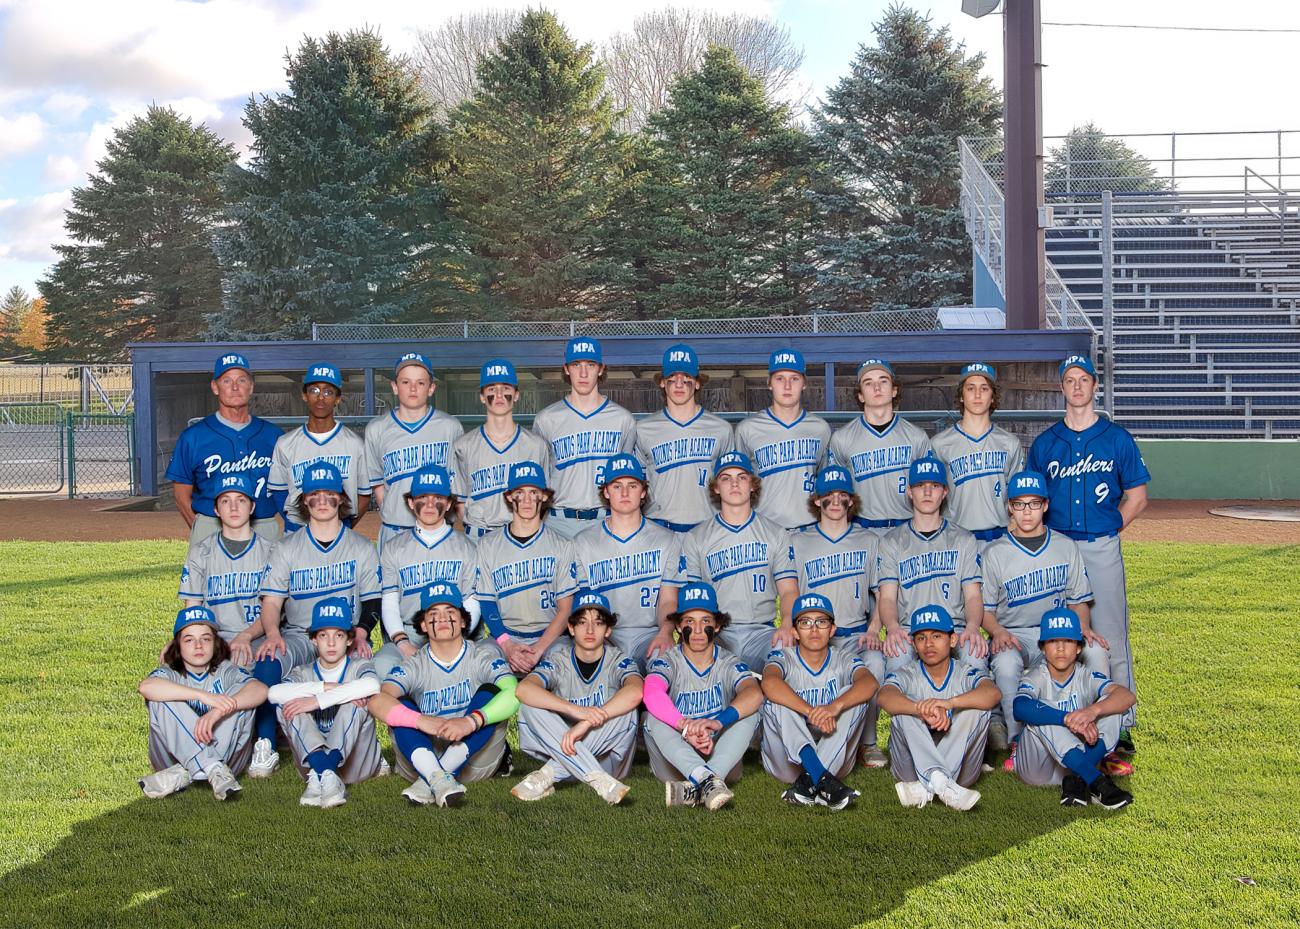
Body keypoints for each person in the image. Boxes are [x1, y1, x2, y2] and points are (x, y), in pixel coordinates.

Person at [1029, 354, 1150, 756]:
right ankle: (1050, 716)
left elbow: (1137, 496)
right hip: (1058, 549)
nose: (1077, 386)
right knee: (1053, 633)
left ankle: (1122, 722)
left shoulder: (1117, 438)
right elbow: (1032, 500)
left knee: (1111, 633)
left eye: (1084, 379)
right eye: (1070, 379)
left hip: (1100, 544)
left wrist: (1111, 527)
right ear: (1061, 388)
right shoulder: (1046, 443)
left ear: (1095, 385)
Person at [249, 462, 381, 777]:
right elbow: (271, 602)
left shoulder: (361, 546)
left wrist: (361, 633)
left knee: (368, 679)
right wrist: (271, 633)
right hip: (297, 633)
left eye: (329, 494)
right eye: (314, 494)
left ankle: (366, 748)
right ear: (304, 501)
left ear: (341, 499)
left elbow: (373, 599)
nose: (322, 501)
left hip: (344, 636)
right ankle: (266, 745)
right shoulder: (286, 547)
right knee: (269, 659)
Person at [981, 470, 1104, 751]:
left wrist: (1083, 627)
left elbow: (1078, 600)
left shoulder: (1066, 546)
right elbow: (985, 611)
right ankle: (1017, 740)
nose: (1027, 512)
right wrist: (997, 631)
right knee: (1006, 662)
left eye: (1034, 503)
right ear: (1010, 507)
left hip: (1059, 632)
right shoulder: (994, 553)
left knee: (1096, 651)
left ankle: (1093, 732)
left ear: (1045, 505)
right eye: (1020, 504)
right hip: (1016, 634)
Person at [369, 582, 519, 807]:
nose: (441, 619)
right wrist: (421, 721)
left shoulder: (481, 657)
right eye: (433, 614)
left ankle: (430, 778)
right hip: (425, 755)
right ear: (423, 624)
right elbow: (377, 701)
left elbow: (515, 693)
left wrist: (470, 722)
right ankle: (438, 778)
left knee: (491, 692)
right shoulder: (414, 665)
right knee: (398, 703)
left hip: (475, 762)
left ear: (463, 620)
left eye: (450, 612)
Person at [791, 465, 886, 767]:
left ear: (850, 500)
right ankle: (807, 736)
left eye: (841, 495)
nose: (835, 501)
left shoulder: (869, 540)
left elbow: (881, 593)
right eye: (827, 495)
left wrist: (874, 628)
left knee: (874, 663)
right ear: (817, 500)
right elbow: (790, 594)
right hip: (813, 636)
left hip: (855, 633)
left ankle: (868, 743)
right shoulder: (798, 541)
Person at [512, 591, 644, 805]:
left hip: (606, 762)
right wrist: (577, 711)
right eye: (582, 622)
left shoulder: (618, 659)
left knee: (626, 710)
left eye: (598, 623)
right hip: (569, 753)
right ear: (571, 628)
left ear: (608, 629)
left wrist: (584, 723)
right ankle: (596, 778)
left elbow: (636, 691)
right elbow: (523, 690)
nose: (590, 630)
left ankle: (548, 775)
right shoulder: (559, 660)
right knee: (529, 706)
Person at [642, 582, 764, 811]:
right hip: (675, 763)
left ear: (717, 626)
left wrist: (717, 723)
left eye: (705, 621)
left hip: (718, 754)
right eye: (689, 621)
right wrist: (685, 727)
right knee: (652, 716)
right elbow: (651, 692)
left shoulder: (728, 661)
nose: (697, 630)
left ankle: (702, 782)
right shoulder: (668, 661)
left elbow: (753, 692)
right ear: (678, 626)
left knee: (750, 712)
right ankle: (708, 780)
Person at [680, 451, 799, 670]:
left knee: (787, 649)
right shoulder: (696, 537)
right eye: (726, 478)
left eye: (742, 477)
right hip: (718, 633)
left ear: (753, 485)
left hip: (762, 632)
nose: (734, 484)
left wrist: (788, 623)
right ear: (716, 487)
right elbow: (693, 599)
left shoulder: (776, 533)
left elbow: (789, 591)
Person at [759, 593, 878, 811]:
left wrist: (834, 707)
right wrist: (810, 711)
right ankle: (822, 778)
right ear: (794, 631)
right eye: (806, 623)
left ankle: (810, 782)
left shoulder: (842, 657)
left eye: (821, 622)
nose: (814, 629)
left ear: (832, 629)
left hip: (834, 754)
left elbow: (869, 683)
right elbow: (769, 682)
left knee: (855, 696)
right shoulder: (784, 657)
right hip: (786, 762)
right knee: (777, 701)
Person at [875, 605, 1000, 811]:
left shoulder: (964, 672)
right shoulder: (908, 672)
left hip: (961, 772)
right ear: (913, 644)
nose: (928, 644)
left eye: (936, 636)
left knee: (977, 707)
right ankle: (941, 783)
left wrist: (949, 704)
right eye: (921, 638)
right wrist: (920, 709)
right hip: (910, 770)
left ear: (952, 640)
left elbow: (993, 693)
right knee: (904, 707)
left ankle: (928, 786)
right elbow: (885, 696)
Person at [137, 606, 268, 801]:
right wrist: (203, 696)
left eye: (205, 639)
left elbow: (261, 690)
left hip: (229, 758)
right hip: (173, 759)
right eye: (189, 640)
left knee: (237, 697)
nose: (198, 646)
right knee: (163, 696)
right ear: (177, 646)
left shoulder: (225, 670)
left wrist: (217, 711)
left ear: (215, 643)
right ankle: (213, 767)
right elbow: (146, 687)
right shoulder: (171, 672)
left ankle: (183, 773)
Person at [1012, 607, 1136, 810]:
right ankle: (1097, 782)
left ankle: (1077, 781)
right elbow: (1020, 707)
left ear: (1079, 647)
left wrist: (1092, 711)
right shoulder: (1035, 675)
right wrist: (1067, 718)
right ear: (1042, 648)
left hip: (1072, 765)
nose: (1060, 648)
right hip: (1037, 769)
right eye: (1053, 641)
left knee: (1110, 706)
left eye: (1068, 641)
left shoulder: (1085, 675)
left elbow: (1127, 696)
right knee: (1041, 713)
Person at [872, 455, 986, 674]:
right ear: (909, 491)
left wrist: (972, 627)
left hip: (955, 628)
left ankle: (971, 709)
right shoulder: (892, 541)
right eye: (920, 485)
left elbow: (972, 596)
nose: (927, 492)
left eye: (934, 486)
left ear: (944, 493)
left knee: (975, 654)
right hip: (910, 630)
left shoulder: (964, 539)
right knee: (897, 656)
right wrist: (893, 627)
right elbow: (887, 597)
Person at [267, 598, 383, 808]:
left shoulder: (359, 665)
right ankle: (323, 771)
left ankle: (325, 769)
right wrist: (324, 689)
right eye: (323, 635)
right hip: (310, 766)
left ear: (349, 639)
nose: (331, 643)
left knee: (356, 702)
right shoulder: (303, 672)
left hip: (356, 766)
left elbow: (373, 685)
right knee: (290, 705)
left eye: (338, 635)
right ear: (313, 639)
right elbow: (274, 693)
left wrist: (316, 701)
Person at [575, 453, 684, 672]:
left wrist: (665, 632)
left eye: (632, 485)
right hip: (603, 636)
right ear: (606, 492)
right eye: (617, 486)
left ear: (643, 492)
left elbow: (668, 601)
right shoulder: (583, 542)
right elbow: (584, 604)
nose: (625, 492)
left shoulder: (666, 540)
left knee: (665, 669)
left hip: (649, 634)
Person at [165, 352, 283, 549]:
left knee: (270, 581)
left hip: (263, 524)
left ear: (251, 387)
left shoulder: (274, 436)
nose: (235, 387)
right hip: (212, 524)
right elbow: (181, 495)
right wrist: (201, 530)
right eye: (227, 380)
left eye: (241, 380)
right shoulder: (193, 436)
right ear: (215, 387)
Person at [476, 461, 583, 675]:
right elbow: (487, 604)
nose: (526, 499)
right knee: (481, 657)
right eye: (520, 492)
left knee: (567, 660)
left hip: (550, 638)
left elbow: (565, 609)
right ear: (509, 496)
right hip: (505, 637)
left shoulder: (562, 545)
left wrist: (539, 649)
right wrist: (507, 645)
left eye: (533, 492)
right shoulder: (488, 544)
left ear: (543, 496)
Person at [375, 464, 481, 678]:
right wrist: (402, 643)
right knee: (382, 664)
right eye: (423, 497)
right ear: (411, 502)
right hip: (410, 634)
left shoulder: (467, 547)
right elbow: (389, 602)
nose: (430, 504)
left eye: (438, 498)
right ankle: (413, 712)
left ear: (449, 503)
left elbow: (471, 602)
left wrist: (455, 639)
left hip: (454, 631)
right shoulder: (394, 548)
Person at [533, 337, 636, 539]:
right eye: (576, 364)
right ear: (566, 369)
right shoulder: (546, 419)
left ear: (600, 369)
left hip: (606, 520)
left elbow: (629, 480)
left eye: (590, 364)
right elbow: (538, 482)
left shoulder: (623, 419)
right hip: (558, 522)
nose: (583, 373)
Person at [363, 352, 464, 550]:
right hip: (395, 529)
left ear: (431, 388)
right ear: (394, 386)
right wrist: (394, 511)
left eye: (420, 383)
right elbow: (378, 484)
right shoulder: (377, 428)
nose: (412, 389)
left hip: (439, 530)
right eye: (405, 382)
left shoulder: (450, 427)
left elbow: (456, 483)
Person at [633, 343, 734, 532]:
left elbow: (731, 486)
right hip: (658, 526)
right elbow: (636, 485)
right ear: (662, 382)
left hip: (707, 526)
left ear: (697, 383)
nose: (679, 384)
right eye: (672, 377)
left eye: (686, 377)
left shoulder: (721, 429)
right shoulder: (643, 429)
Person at [828, 358, 931, 533]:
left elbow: (931, 491)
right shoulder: (841, 438)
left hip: (907, 529)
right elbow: (832, 492)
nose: (877, 388)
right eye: (868, 383)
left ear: (894, 390)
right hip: (861, 530)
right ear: (860, 395)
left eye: (883, 381)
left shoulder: (917, 436)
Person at [177, 473, 274, 657]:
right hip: (212, 640)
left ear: (252, 506)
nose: (234, 507)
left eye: (241, 500)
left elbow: (274, 611)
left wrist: (246, 636)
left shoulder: (271, 553)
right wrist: (180, 641)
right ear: (216, 510)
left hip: (256, 637)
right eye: (225, 501)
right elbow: (192, 609)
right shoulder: (200, 552)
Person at [452, 359, 551, 538]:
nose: (499, 394)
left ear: (516, 394)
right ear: (482, 396)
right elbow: (459, 503)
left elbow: (543, 500)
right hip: (477, 537)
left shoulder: (536, 445)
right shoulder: (463, 445)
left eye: (506, 388)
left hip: (521, 536)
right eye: (491, 389)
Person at [734, 349, 831, 531]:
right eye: (780, 379)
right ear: (769, 383)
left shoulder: (820, 428)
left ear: (804, 384)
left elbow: (827, 484)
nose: (787, 386)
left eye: (794, 378)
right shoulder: (747, 429)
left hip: (809, 529)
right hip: (763, 529)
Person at [267, 362, 370, 533]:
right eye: (314, 390)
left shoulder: (354, 444)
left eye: (328, 392)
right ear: (304, 395)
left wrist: (346, 527)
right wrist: (295, 524)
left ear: (338, 399)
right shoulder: (285, 443)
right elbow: (279, 493)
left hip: (339, 533)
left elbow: (364, 495)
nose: (320, 397)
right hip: (297, 533)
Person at [930, 362, 1024, 546]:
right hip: (955, 540)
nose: (978, 395)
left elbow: (1018, 497)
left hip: (999, 539)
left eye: (984, 388)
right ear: (961, 396)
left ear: (993, 397)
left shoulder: (1010, 443)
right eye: (970, 388)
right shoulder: (939, 444)